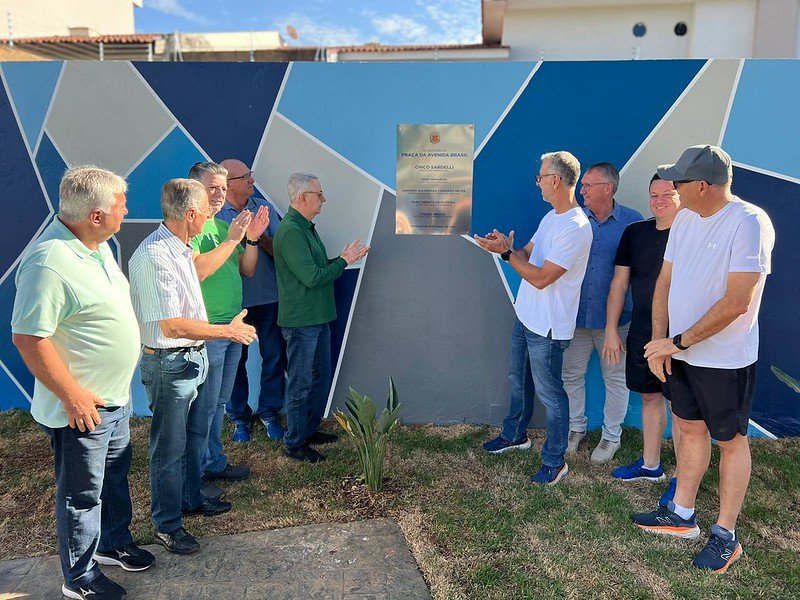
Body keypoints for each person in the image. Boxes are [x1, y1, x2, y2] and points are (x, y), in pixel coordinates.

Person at [12, 166, 153, 600]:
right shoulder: (50, 261)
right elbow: (28, 336)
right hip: (82, 408)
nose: (126, 211)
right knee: (81, 495)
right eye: (121, 205)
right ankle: (80, 576)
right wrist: (72, 395)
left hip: (113, 400)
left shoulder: (97, 246)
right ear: (95, 215)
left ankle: (111, 543)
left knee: (113, 478)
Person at [633, 145, 775, 574]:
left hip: (725, 360)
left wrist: (675, 343)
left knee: (731, 442)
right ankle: (681, 514)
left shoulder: (749, 223)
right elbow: (666, 280)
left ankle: (726, 536)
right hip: (679, 352)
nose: (670, 187)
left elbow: (737, 302)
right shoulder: (686, 218)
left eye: (677, 181)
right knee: (687, 428)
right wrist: (660, 340)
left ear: (701, 185)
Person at [129, 179, 257, 555]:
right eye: (205, 212)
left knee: (195, 434)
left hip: (192, 357)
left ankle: (190, 498)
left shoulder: (182, 248)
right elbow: (172, 324)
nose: (210, 216)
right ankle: (168, 525)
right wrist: (227, 332)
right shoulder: (154, 255)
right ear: (190, 215)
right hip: (170, 362)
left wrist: (234, 239)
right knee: (169, 447)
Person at [477, 151, 593, 485]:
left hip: (549, 327)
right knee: (518, 378)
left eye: (540, 177)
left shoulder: (574, 227)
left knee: (551, 394)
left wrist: (508, 255)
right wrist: (507, 247)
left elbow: (542, 277)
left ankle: (555, 462)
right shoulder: (552, 217)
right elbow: (527, 253)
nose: (538, 182)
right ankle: (515, 435)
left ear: (555, 180)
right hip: (527, 317)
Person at [273, 172, 369, 463]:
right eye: (319, 194)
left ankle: (308, 430)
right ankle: (294, 443)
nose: (323, 199)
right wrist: (344, 261)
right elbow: (312, 277)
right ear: (304, 197)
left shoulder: (304, 228)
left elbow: (316, 267)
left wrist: (339, 259)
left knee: (317, 378)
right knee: (301, 382)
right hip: (302, 322)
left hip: (317, 318)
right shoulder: (291, 231)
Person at [188, 162, 270, 491]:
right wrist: (233, 239)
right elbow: (199, 272)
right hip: (209, 330)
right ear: (193, 189)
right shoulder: (190, 230)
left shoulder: (224, 229)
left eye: (223, 188)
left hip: (233, 325)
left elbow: (246, 270)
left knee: (218, 403)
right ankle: (198, 473)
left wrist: (249, 241)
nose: (219, 194)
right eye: (212, 187)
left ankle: (213, 462)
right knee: (204, 405)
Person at [602, 174, 682, 505]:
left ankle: (683, 477)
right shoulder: (635, 233)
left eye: (668, 193)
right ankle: (651, 465)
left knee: (682, 409)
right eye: (654, 194)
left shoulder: (694, 232)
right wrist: (610, 329)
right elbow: (620, 284)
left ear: (682, 195)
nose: (659, 199)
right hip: (642, 331)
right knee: (649, 398)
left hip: (681, 337)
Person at [563, 162, 643, 463]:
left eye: (588, 185)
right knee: (570, 375)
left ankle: (611, 437)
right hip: (576, 320)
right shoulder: (572, 220)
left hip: (617, 322)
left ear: (607, 188)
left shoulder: (632, 223)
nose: (581, 190)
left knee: (616, 380)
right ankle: (576, 428)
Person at [218, 159, 286, 443]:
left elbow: (283, 252)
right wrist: (240, 237)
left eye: (251, 175)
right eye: (245, 177)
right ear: (228, 184)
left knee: (273, 357)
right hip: (235, 304)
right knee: (235, 364)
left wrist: (259, 236)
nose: (251, 181)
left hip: (269, 298)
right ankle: (239, 418)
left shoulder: (263, 209)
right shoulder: (215, 216)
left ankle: (270, 412)